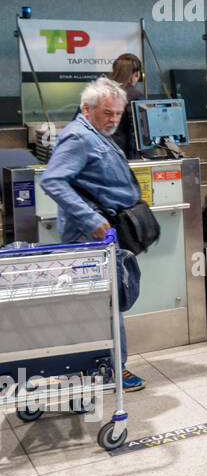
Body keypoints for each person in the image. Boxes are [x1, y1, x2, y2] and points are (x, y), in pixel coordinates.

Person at [39, 78, 149, 392]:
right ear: (87, 109)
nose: (113, 119)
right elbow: (53, 181)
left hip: (104, 239)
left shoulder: (96, 133)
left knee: (106, 303)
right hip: (87, 241)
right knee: (104, 305)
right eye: (107, 113)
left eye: (117, 113)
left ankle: (103, 366)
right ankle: (113, 369)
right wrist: (92, 220)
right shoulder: (78, 137)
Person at [110, 53, 145, 159]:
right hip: (125, 155)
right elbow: (143, 131)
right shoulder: (135, 95)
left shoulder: (101, 92)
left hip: (103, 152)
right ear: (137, 74)